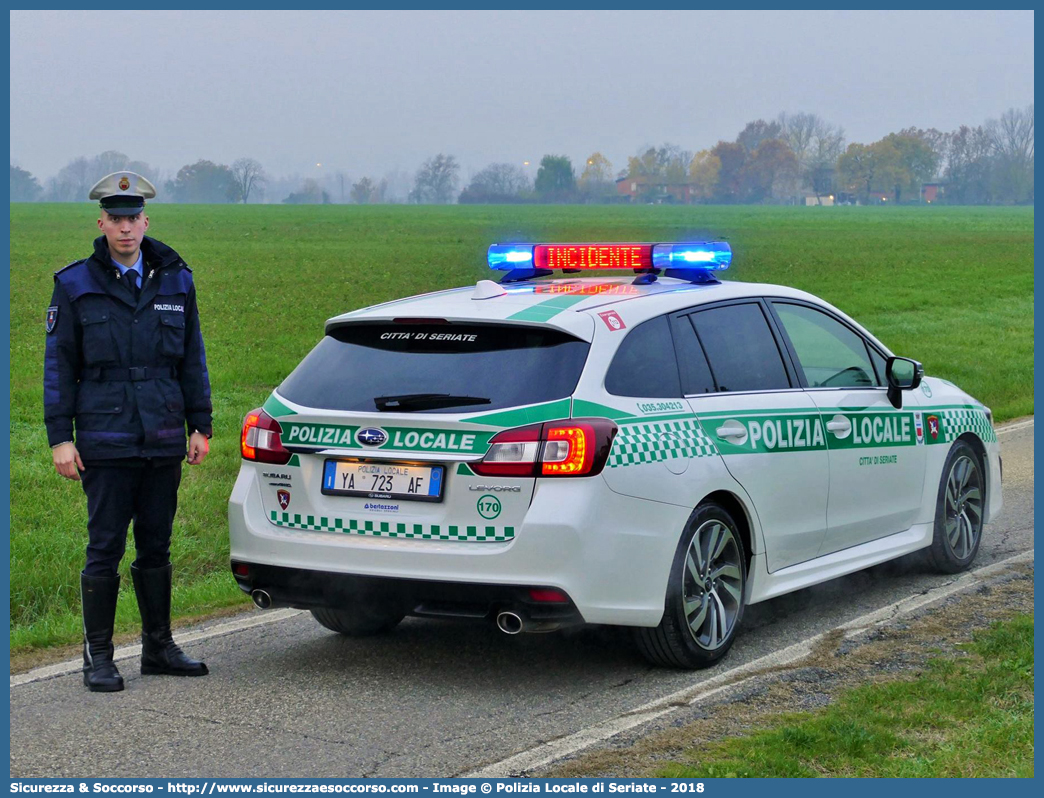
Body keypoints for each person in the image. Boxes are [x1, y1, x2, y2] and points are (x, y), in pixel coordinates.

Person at [44, 172, 212, 692]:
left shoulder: (176, 280)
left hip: (162, 432)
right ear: (101, 223)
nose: (124, 228)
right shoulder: (74, 284)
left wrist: (199, 424)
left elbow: (192, 359)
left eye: (132, 219)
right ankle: (98, 657)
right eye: (114, 219)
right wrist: (60, 437)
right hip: (105, 436)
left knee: (157, 545)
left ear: (146, 222)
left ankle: (158, 648)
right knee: (105, 547)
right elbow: (59, 365)